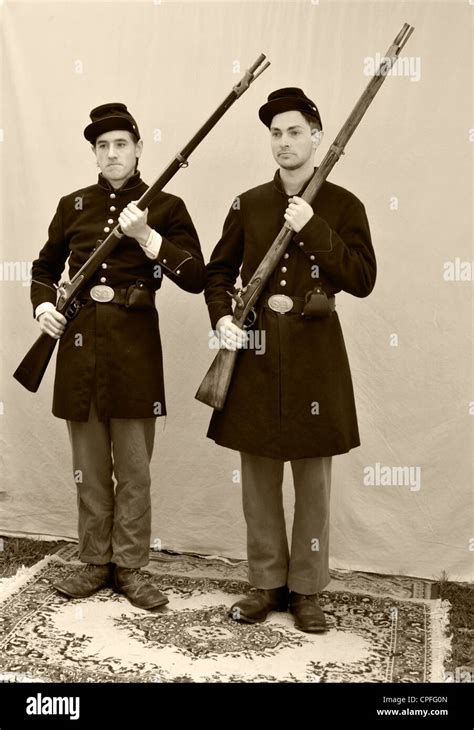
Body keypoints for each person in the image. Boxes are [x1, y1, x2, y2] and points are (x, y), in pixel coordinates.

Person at [204, 88, 376, 632]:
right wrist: (222, 318)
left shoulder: (344, 206)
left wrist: (313, 226)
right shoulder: (248, 203)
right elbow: (216, 274)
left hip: (315, 360)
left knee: (313, 484)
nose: (284, 142)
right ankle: (265, 584)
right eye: (276, 133)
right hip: (253, 357)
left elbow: (363, 279)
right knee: (257, 480)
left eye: (294, 131)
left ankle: (306, 591)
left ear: (317, 135)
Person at [31, 103, 205, 610]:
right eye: (102, 146)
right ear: (94, 153)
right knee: (87, 467)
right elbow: (44, 265)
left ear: (138, 148)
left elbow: (196, 276)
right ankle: (94, 562)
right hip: (80, 351)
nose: (112, 153)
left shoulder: (166, 206)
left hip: (135, 355)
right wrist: (43, 305)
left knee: (134, 470)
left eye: (121, 144)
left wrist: (147, 237)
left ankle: (130, 567)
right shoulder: (73, 204)